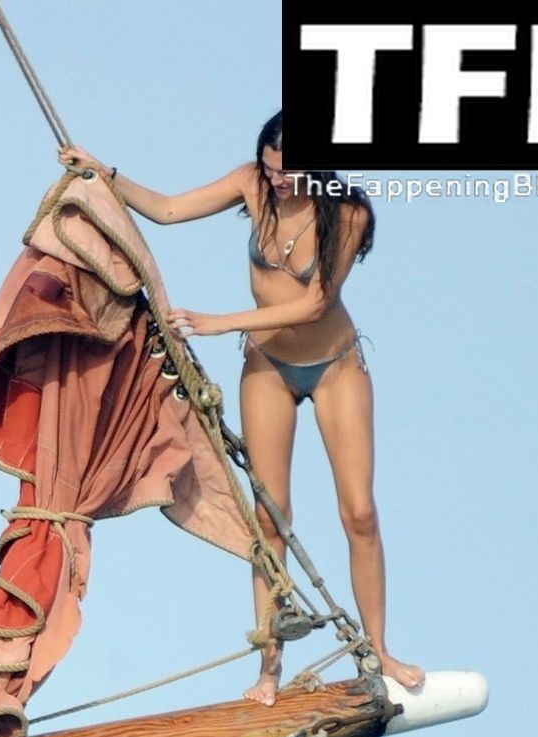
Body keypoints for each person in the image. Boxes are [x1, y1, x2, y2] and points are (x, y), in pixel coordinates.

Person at [60, 114, 424, 703]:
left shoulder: (347, 214)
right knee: (269, 517)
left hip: (335, 366)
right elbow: (168, 209)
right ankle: (269, 668)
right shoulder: (251, 183)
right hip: (267, 367)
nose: (277, 180)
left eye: (290, 172)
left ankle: (380, 650)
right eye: (270, 167)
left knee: (359, 512)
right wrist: (106, 175)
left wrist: (221, 322)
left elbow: (314, 304)